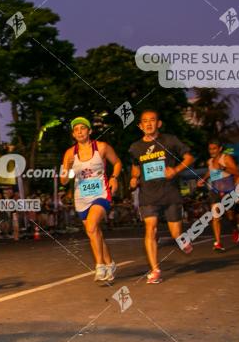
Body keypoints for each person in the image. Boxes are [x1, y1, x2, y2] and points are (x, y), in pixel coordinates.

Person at [129, 110, 195, 284]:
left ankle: (182, 240)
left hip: (170, 193)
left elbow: (189, 158)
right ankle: (155, 270)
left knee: (176, 234)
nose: (149, 124)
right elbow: (136, 166)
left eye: (152, 120)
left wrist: (176, 170)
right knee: (151, 228)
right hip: (148, 195)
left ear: (159, 123)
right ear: (140, 126)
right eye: (145, 121)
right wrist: (134, 178)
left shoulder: (170, 140)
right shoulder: (135, 147)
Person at [60, 117, 123, 282]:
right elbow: (63, 181)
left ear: (89, 131)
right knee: (95, 233)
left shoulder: (101, 147)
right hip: (81, 198)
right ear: (73, 134)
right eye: (76, 129)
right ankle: (110, 263)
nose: (80, 131)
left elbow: (117, 163)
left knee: (92, 226)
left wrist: (114, 177)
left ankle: (99, 265)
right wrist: (66, 167)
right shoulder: (69, 153)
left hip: (101, 193)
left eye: (83, 128)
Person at [196, 140, 239, 251]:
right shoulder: (209, 161)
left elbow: (236, 172)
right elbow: (210, 171)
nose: (212, 151)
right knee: (215, 217)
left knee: (230, 215)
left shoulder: (226, 158)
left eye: (214, 148)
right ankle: (218, 243)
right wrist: (203, 179)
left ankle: (234, 228)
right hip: (215, 191)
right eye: (210, 149)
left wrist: (223, 168)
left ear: (220, 149)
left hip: (228, 191)